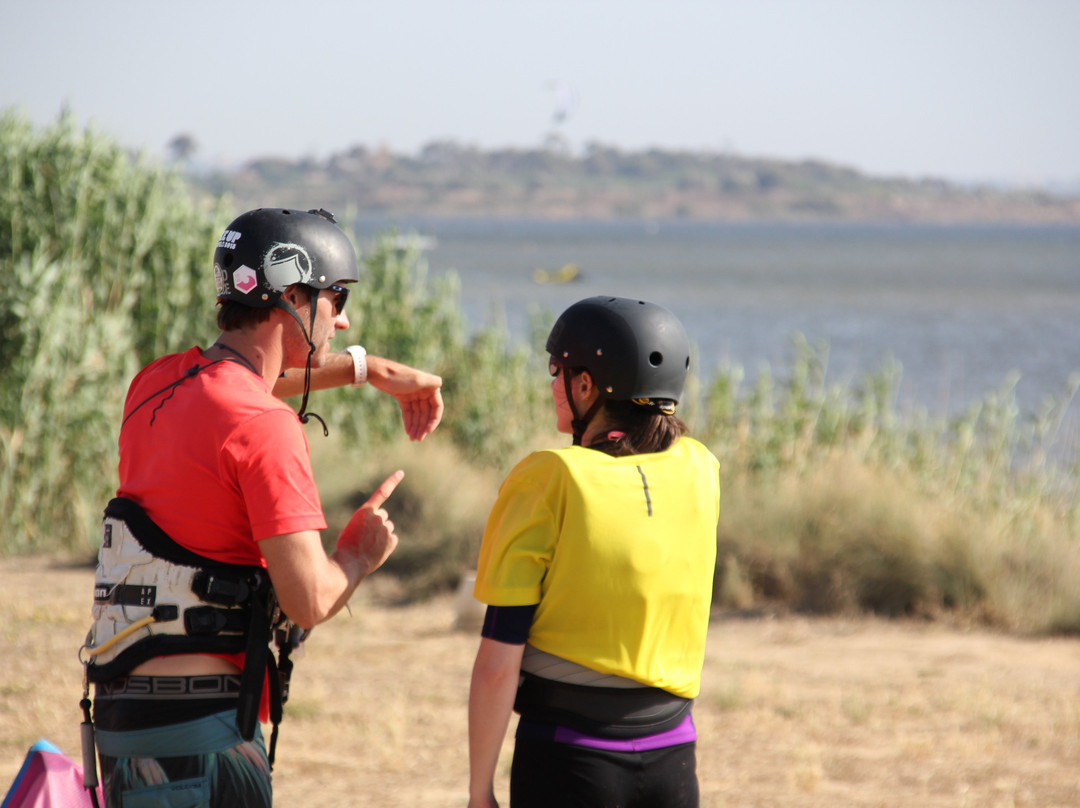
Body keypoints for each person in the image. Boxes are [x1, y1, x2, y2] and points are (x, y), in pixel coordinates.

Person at [80, 207, 444, 808]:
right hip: (204, 741)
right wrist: (357, 553)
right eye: (336, 298)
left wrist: (369, 369)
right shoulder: (264, 426)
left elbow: (242, 379)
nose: (344, 319)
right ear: (294, 298)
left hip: (124, 727)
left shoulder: (154, 385)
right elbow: (309, 599)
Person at [468, 295, 721, 808]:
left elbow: (499, 662)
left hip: (570, 759)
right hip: (675, 757)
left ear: (585, 385)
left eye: (556, 370)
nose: (552, 383)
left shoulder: (550, 478)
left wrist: (479, 792)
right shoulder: (701, 467)